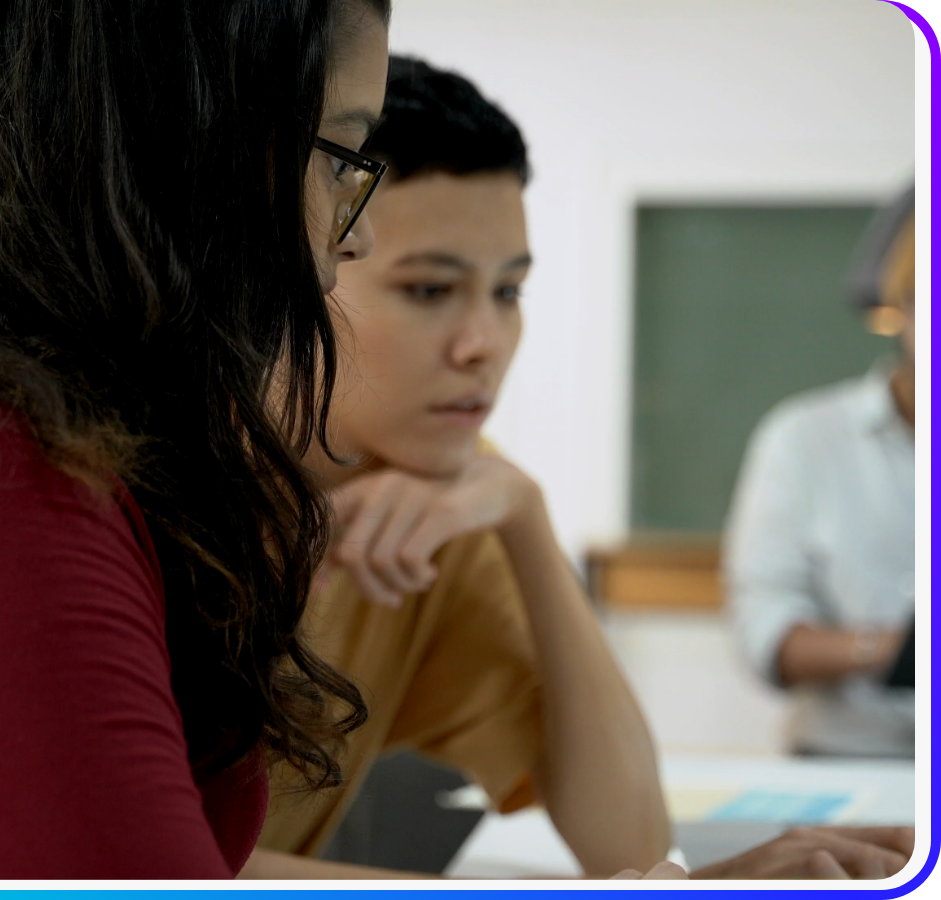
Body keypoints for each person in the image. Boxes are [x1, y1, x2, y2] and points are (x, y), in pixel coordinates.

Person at [243, 58, 915, 881]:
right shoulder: (144, 496)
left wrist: (525, 517)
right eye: (428, 290)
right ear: (300, 265)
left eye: (508, 293)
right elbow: (141, 864)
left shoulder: (456, 497)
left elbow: (628, 843)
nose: (482, 344)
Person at [0, 0, 391, 877]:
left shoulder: (86, 452)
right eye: (341, 160)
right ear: (199, 144)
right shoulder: (32, 476)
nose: (355, 236)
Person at [725, 188, 916, 758]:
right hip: (844, 759)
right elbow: (764, 628)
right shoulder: (804, 437)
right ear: (900, 305)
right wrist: (898, 651)